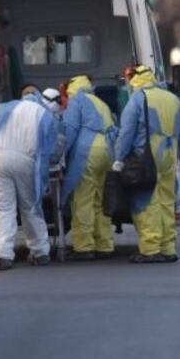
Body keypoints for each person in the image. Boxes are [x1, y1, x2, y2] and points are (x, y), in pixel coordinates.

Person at [0, 90, 61, 271]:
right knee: (30, 207)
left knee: (3, 209)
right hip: (27, 161)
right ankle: (40, 251)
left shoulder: (6, 108)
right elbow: (48, 152)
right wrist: (42, 180)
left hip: (0, 159)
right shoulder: (45, 115)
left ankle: (2, 255)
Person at [113, 65, 180, 263]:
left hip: (146, 158)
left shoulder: (138, 99)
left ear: (135, 79)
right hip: (169, 157)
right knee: (166, 201)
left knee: (146, 203)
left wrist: (119, 159)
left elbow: (126, 132)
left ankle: (150, 248)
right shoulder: (172, 98)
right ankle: (168, 247)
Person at [62, 75, 117, 260]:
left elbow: (70, 129)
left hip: (89, 150)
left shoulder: (77, 101)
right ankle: (105, 245)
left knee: (82, 199)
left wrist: (60, 155)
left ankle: (84, 247)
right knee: (101, 200)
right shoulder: (100, 102)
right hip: (107, 151)